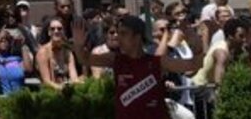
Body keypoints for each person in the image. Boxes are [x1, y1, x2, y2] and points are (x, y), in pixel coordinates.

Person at [75, 16, 203, 119]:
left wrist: (196, 44)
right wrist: (78, 44)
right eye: (118, 33)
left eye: (123, 34)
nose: (118, 38)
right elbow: (84, 59)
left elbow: (194, 64)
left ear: (137, 37)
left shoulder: (157, 62)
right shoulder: (115, 59)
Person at [0, 28, 32, 95]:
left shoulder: (16, 59)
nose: (4, 41)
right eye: (0, 40)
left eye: (6, 39)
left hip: (18, 99)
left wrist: (23, 44)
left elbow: (28, 69)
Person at [35, 18, 79, 89]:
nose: (56, 31)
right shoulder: (43, 52)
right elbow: (46, 81)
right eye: (52, 29)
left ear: (63, 32)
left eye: (59, 29)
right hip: (49, 93)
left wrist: (77, 82)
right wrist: (60, 88)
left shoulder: (67, 52)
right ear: (49, 32)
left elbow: (74, 77)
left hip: (66, 90)